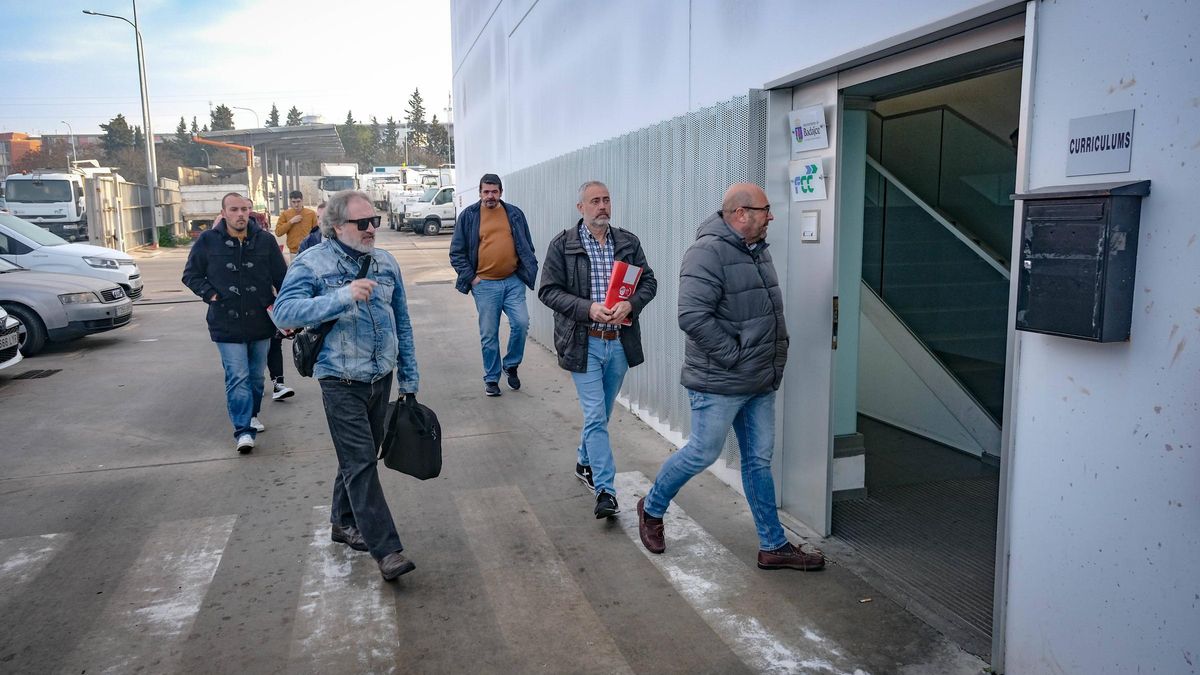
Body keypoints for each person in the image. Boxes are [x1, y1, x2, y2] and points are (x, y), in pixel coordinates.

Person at [636, 183, 825, 572]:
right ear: (741, 214)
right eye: (765, 210)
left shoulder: (756, 250)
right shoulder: (707, 253)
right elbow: (691, 316)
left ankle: (773, 545)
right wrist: (734, 357)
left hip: (758, 380)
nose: (770, 216)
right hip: (720, 382)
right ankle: (651, 507)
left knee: (758, 461)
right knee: (703, 452)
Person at [271, 189, 419, 581]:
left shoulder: (385, 262)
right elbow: (283, 312)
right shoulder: (312, 263)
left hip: (380, 376)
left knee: (359, 456)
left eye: (375, 221)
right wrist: (340, 297)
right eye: (362, 223)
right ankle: (387, 550)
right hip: (339, 378)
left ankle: (342, 521)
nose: (372, 229)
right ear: (337, 227)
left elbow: (401, 320)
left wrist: (409, 377)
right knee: (360, 461)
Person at [538, 181, 657, 518]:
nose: (602, 206)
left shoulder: (628, 242)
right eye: (594, 201)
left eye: (606, 200)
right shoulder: (563, 245)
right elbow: (547, 291)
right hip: (583, 342)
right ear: (581, 208)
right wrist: (587, 308)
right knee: (595, 415)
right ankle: (606, 490)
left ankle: (583, 460)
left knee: (600, 414)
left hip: (618, 343)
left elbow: (649, 281)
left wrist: (631, 304)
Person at [182, 193, 287, 454]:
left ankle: (252, 414)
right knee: (237, 376)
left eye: (245, 209)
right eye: (235, 209)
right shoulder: (208, 240)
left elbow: (283, 279)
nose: (240, 214)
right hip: (225, 323)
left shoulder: (265, 240)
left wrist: (286, 311)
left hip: (261, 322)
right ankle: (243, 430)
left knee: (254, 377)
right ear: (224, 212)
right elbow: (191, 275)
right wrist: (212, 294)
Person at [449, 173, 538, 397]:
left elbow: (527, 245)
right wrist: (472, 278)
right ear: (479, 192)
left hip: (513, 282)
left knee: (521, 323)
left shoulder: (514, 214)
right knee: (489, 334)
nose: (490, 196)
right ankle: (491, 378)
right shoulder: (468, 216)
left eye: (494, 191)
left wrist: (525, 271)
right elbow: (456, 253)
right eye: (486, 191)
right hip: (485, 284)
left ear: (500, 192)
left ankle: (511, 364)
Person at [275, 190, 319, 255]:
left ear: (302, 200)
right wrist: (291, 222)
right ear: (290, 202)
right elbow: (278, 232)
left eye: (298, 201)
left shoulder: (311, 214)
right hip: (293, 252)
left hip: (309, 251)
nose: (296, 204)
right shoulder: (285, 214)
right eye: (294, 202)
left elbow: (317, 232)